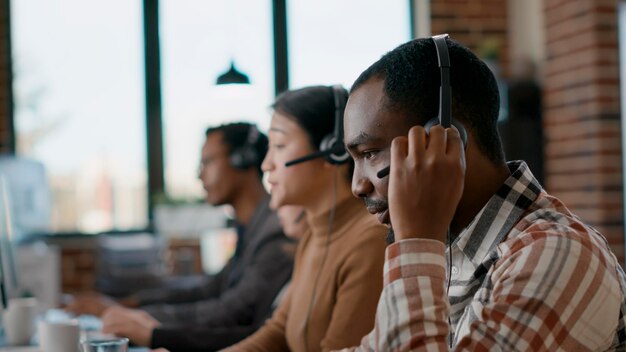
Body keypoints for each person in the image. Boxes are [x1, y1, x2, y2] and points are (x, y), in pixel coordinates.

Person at [340, 36, 626, 351]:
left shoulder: (557, 254)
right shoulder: (451, 249)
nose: (357, 185)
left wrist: (416, 242)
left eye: (369, 153)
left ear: (446, 138)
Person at [67, 122, 294, 349]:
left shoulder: (275, 231)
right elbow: (209, 290)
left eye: (208, 162)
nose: (199, 174)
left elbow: (232, 311)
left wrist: (136, 319)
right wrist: (131, 304)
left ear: (241, 160)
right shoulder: (250, 227)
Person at [225, 86, 387, 351]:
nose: (267, 164)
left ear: (331, 150)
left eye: (279, 146)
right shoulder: (313, 234)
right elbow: (277, 332)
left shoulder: (370, 241)